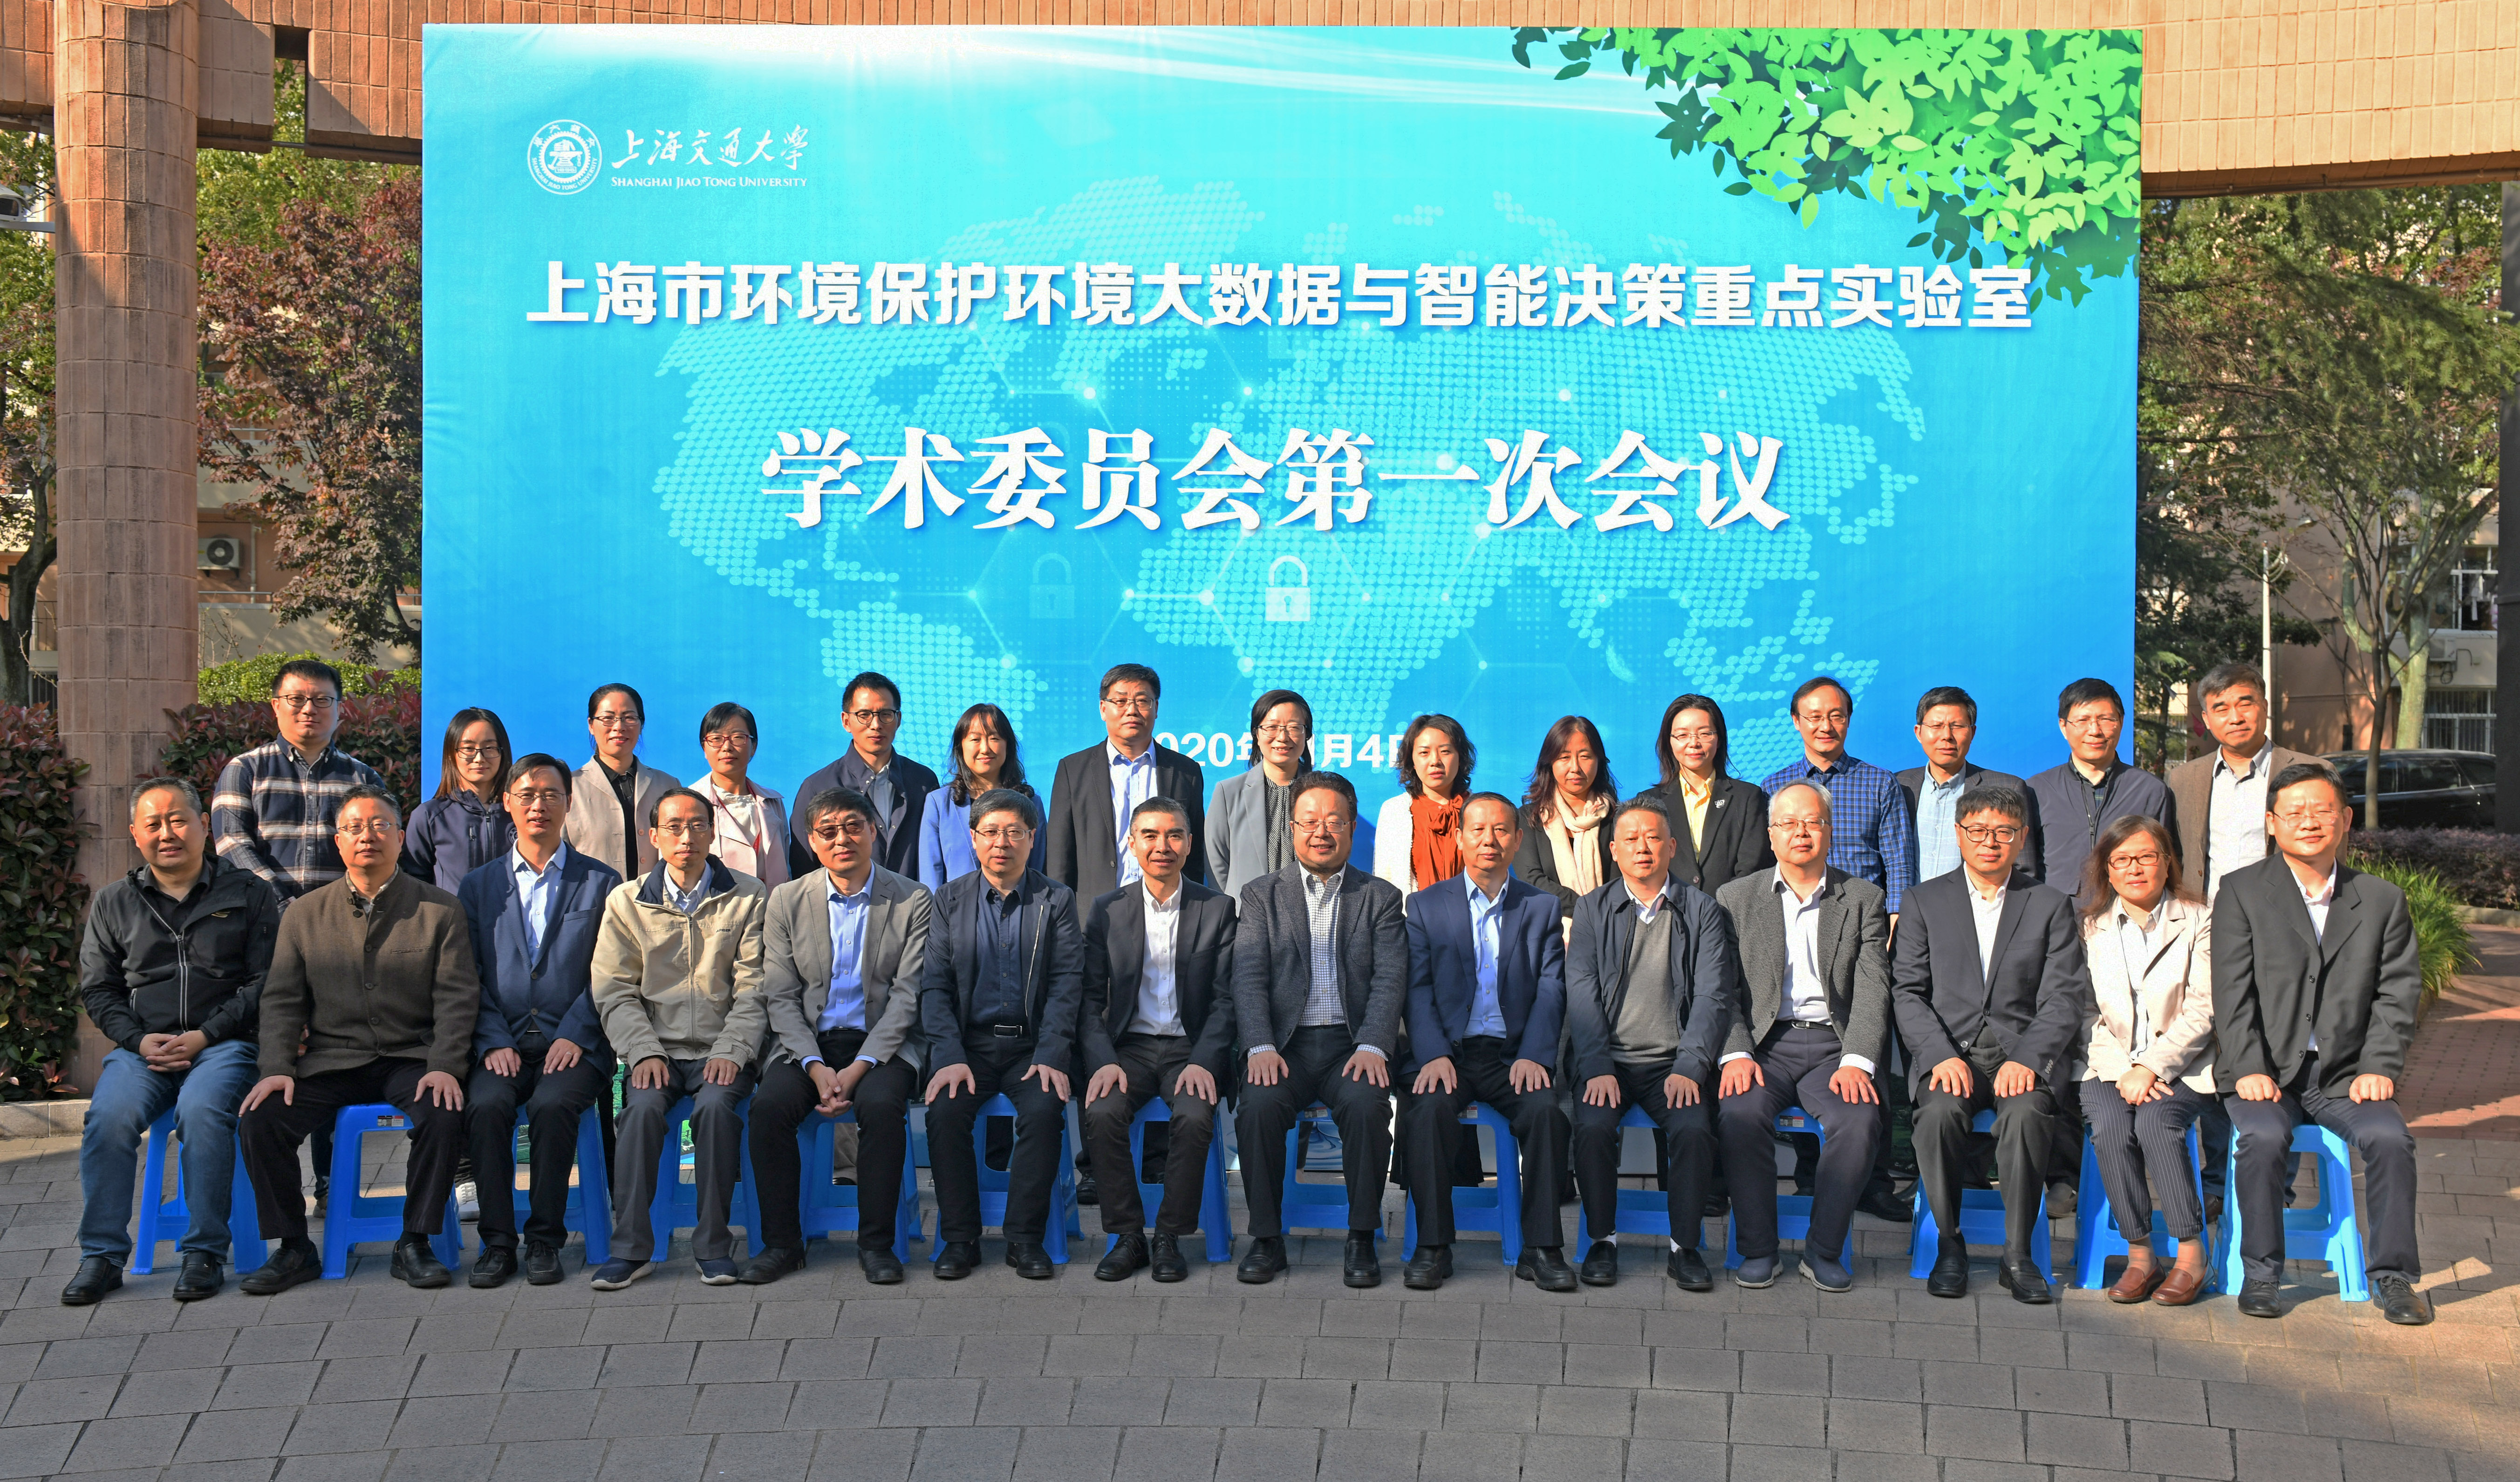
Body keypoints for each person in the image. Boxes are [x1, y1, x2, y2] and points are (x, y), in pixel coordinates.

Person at [235, 786, 478, 1294]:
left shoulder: (440, 910)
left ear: (400, 836)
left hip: (411, 1056)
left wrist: (445, 1065)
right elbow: (282, 1000)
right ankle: (293, 1246)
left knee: (443, 1111)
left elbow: (457, 999)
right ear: (338, 842)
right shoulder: (304, 914)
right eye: (354, 828)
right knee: (262, 1118)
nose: (367, 836)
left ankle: (415, 1241)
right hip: (332, 1059)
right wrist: (276, 1067)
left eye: (380, 825)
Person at [2214, 762, 2430, 1324]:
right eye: (2294, 812)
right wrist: (2248, 1066)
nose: (2309, 822)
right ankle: (2262, 1273)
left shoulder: (2380, 899)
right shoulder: (2241, 891)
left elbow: (2397, 993)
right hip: (2266, 1072)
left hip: (2347, 1074)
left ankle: (2395, 1277)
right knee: (2263, 1138)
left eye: (2322, 810)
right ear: (2271, 823)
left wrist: (2379, 1065)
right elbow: (2231, 993)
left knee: (2390, 1139)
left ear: (2345, 820)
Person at [65, 779, 283, 1306]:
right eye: (154, 824)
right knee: (108, 1118)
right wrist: (139, 1041)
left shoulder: (249, 894)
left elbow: (266, 981)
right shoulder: (114, 902)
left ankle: (204, 1252)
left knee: (203, 1111)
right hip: (143, 1050)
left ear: (205, 825)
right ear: (135, 834)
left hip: (224, 1045)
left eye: (178, 820)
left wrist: (207, 1034)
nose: (168, 833)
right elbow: (99, 990)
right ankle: (101, 1257)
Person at [1892, 784, 2087, 1304]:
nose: (1990, 842)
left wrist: (2030, 1059)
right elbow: (1907, 992)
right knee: (1938, 1114)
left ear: (2022, 838)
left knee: (2026, 1115)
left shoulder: (2048, 904)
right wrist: (1938, 1055)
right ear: (1958, 835)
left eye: (2003, 832)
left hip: (2020, 1054)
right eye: (1978, 831)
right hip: (1950, 1054)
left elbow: (2064, 996)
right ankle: (1949, 1243)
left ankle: (2018, 1254)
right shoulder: (1923, 901)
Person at [742, 787, 933, 1287]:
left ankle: (877, 1245)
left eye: (853, 827)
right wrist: (815, 1066)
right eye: (828, 831)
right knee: (769, 1109)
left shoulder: (912, 899)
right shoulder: (787, 900)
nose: (842, 839)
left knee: (882, 1108)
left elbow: (908, 996)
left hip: (882, 1044)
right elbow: (780, 995)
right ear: (811, 840)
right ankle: (783, 1245)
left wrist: (858, 1069)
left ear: (874, 831)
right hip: (806, 1044)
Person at [1229, 772, 1407, 1288]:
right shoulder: (1261, 895)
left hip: (1352, 1046)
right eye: (1309, 822)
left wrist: (1374, 1044)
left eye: (1334, 822)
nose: (1321, 832)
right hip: (1284, 1046)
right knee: (1258, 1108)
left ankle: (1361, 1236)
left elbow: (1390, 978)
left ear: (1351, 828)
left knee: (1368, 1108)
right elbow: (1248, 976)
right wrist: (1259, 1045)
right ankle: (1266, 1239)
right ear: (1292, 828)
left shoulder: (1380, 897)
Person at [587, 788, 769, 1290]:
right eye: (673, 827)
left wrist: (733, 1050)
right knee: (641, 1113)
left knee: (715, 1111)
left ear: (712, 833)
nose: (685, 837)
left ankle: (712, 1246)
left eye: (696, 825)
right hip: (657, 1052)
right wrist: (642, 1050)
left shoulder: (749, 896)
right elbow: (613, 988)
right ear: (653, 837)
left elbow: (756, 986)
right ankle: (631, 1250)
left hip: (722, 1050)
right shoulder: (627, 901)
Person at [1713, 781, 1890, 1293]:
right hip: (1764, 1045)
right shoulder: (1735, 898)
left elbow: (1874, 988)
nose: (1801, 832)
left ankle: (1823, 1250)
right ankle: (1758, 1249)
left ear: (1830, 832)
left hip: (1835, 1046)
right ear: (1771, 835)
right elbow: (1721, 988)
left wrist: (1857, 1060)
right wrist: (1736, 1052)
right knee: (1739, 1113)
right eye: (1788, 823)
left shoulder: (1863, 899)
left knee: (1859, 1120)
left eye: (1813, 822)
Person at [457, 754, 622, 1288]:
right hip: (501, 1043)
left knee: (553, 1106)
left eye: (551, 795)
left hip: (575, 1044)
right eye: (527, 795)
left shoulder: (601, 882)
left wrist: (577, 1032)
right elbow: (467, 975)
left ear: (568, 804)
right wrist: (490, 1039)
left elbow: (612, 971)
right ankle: (497, 1243)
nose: (538, 806)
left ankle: (546, 1240)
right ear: (507, 802)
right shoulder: (478, 886)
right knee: (486, 1105)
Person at [1397, 793, 1572, 1292]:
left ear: (1517, 840)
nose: (1488, 840)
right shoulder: (1426, 905)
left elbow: (1551, 987)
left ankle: (1542, 1249)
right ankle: (1433, 1246)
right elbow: (1417, 988)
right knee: (1426, 1113)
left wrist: (1534, 1054)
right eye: (1477, 830)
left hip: (1511, 1055)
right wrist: (1432, 1053)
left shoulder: (1540, 907)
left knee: (1546, 1115)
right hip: (1449, 1054)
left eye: (1500, 831)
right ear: (1460, 839)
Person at [1564, 798, 1731, 1290]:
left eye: (1654, 837)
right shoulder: (1592, 908)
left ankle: (1685, 1247)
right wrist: (1596, 1065)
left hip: (1673, 1063)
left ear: (1672, 847)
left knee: (1695, 1131)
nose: (1643, 847)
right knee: (1592, 1130)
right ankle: (1602, 1239)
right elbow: (1581, 991)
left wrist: (1692, 1065)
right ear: (1613, 850)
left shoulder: (1702, 910)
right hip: (1608, 1061)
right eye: (1631, 839)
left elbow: (1713, 994)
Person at [919, 788, 1085, 1280]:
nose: (1002, 843)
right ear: (973, 838)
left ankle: (1025, 1239)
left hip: (1031, 1048)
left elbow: (1067, 983)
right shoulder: (949, 899)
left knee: (1043, 1111)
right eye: (990, 832)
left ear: (1032, 838)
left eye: (1014, 832)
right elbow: (934, 986)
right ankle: (960, 1238)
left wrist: (1052, 1053)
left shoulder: (1056, 899)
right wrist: (948, 1055)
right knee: (945, 1113)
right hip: (968, 1047)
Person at [1080, 797, 1239, 1283]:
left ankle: (1170, 1235)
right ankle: (1127, 1236)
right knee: (1102, 1112)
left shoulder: (1217, 908)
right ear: (1132, 843)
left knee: (1193, 1116)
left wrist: (1205, 1061)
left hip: (1191, 1049)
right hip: (1128, 1049)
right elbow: (1088, 1000)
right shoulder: (1107, 910)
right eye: (1149, 835)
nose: (1161, 846)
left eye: (1173, 835)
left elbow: (1226, 1000)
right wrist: (1103, 1060)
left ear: (1189, 844)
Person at [2075, 815, 2215, 1307]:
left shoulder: (2199, 920)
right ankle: (2141, 1254)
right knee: (2112, 1127)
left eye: (2146, 857)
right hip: (2108, 1065)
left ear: (2167, 862)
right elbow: (2085, 1013)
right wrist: (2124, 1071)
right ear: (2106, 870)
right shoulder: (2090, 927)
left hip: (2183, 1067)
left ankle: (2191, 1254)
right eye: (2121, 860)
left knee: (2156, 1124)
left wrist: (2151, 1067)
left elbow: (2204, 1008)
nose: (2134, 868)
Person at [211, 658, 388, 900]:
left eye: (322, 700)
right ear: (276, 706)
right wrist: (282, 906)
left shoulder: (364, 778)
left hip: (344, 914)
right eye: (296, 699)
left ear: (339, 708)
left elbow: (379, 849)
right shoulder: (245, 770)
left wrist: (343, 909)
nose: (309, 709)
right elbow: (233, 845)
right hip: (264, 916)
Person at [1045, 663, 1210, 903]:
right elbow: (1059, 854)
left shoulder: (1186, 771)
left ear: (1156, 708)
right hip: (1095, 913)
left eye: (1142, 701)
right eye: (1120, 701)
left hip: (1169, 908)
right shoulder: (1073, 770)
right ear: (1103, 709)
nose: (1131, 711)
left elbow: (1194, 854)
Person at [1759, 677, 1916, 918]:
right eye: (1815, 717)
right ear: (1796, 721)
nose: (1826, 727)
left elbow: (1899, 863)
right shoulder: (1774, 787)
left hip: (1863, 916)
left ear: (1848, 719)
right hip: (1793, 916)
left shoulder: (1880, 783)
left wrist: (1897, 917)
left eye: (1836, 716)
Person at [2166, 662, 2315, 902]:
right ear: (2206, 719)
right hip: (2206, 916)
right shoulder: (2183, 779)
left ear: (2264, 707)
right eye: (2221, 709)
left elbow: (2330, 853)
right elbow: (2176, 854)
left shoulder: (2312, 773)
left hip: (2285, 914)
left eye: (2245, 705)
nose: (2235, 718)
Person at [2024, 677, 2176, 897]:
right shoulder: (2036, 790)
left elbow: (2167, 863)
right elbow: (2025, 868)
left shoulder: (2150, 790)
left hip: (2127, 910)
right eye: (2083, 720)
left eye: (2105, 719)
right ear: (2064, 727)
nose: (2095, 730)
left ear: (2121, 722)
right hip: (2057, 912)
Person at [790, 672, 940, 880]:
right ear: (846, 721)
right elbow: (803, 870)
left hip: (913, 900)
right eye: (864, 715)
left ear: (898, 720)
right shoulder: (818, 787)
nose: (876, 725)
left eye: (886, 714)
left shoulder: (923, 782)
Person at [1641, 694, 1771, 901]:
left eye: (1704, 734)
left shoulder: (1748, 798)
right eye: (1683, 735)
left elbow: (1752, 868)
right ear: (1669, 741)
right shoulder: (1649, 803)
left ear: (1719, 739)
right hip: (1668, 914)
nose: (1694, 743)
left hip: (1730, 915)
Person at [1895, 686, 2024, 886]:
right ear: (1919, 733)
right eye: (1937, 726)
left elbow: (2023, 867)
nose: (1947, 735)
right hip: (1909, 904)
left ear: (1972, 733)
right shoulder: (1898, 785)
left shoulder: (2008, 787)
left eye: (1957, 726)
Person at [917, 701, 1045, 889]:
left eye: (994, 738)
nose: (985, 749)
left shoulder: (1031, 803)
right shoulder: (939, 803)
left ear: (1008, 746)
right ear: (960, 747)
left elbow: (1038, 869)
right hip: (955, 907)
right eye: (975, 739)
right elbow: (930, 875)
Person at [565, 682, 683, 885]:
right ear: (591, 725)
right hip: (593, 902)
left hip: (656, 902)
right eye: (608, 718)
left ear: (641, 725)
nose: (619, 727)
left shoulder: (667, 785)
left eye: (629, 718)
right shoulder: (569, 786)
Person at [1510, 716, 1619, 923]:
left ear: (1599, 761)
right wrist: (1587, 910)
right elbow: (1531, 879)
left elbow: (1621, 882)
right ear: (1549, 762)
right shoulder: (1529, 818)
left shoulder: (1617, 818)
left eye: (1585, 756)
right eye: (1564, 757)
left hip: (1610, 927)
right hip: (1547, 929)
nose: (1575, 767)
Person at [1209, 688, 1312, 902]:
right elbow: (1216, 864)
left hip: (1311, 915)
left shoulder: (1324, 795)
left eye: (1294, 728)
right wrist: (1228, 913)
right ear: (1256, 734)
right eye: (1272, 727)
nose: (1282, 737)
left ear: (1307, 734)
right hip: (1246, 915)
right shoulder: (1228, 793)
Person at [403, 707, 517, 894]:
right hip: (452, 914)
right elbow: (415, 885)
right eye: (468, 749)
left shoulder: (520, 812)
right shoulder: (429, 817)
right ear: (451, 754)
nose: (479, 758)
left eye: (489, 748)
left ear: (502, 752)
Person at [1373, 713, 1474, 895]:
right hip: (1411, 913)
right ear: (1412, 760)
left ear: (1461, 757)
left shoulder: (1480, 810)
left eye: (1445, 751)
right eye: (1424, 753)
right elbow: (1383, 878)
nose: (1435, 761)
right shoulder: (1394, 812)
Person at [695, 702, 789, 888]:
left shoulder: (773, 803)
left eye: (738, 738)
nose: (727, 747)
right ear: (705, 748)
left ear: (754, 746)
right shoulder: (690, 802)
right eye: (716, 739)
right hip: (717, 905)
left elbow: (786, 865)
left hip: (772, 904)